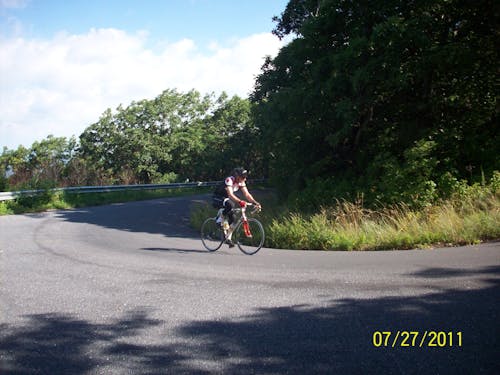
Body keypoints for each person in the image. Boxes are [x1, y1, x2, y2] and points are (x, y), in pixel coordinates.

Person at [212, 167, 261, 246]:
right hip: (217, 197)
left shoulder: (241, 182)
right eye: (243, 177)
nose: (245, 179)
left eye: (245, 177)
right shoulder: (229, 180)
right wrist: (240, 201)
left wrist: (255, 202)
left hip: (226, 199)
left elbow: (247, 194)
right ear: (237, 176)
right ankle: (219, 221)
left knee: (233, 219)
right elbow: (230, 195)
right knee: (230, 204)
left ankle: (228, 238)